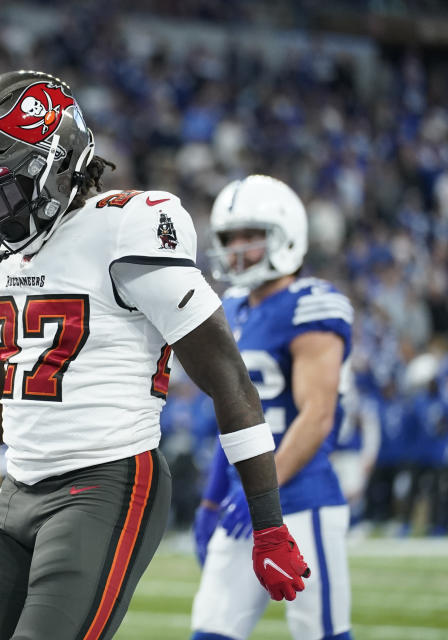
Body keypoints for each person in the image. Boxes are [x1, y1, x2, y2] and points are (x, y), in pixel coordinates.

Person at [0, 71, 309, 640]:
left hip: (106, 482)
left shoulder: (128, 227)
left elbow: (231, 383)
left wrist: (268, 524)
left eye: (2, 192)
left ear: (58, 164)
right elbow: (3, 402)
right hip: (16, 493)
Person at [190, 175, 354, 640]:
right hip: (241, 502)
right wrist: (211, 499)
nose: (238, 248)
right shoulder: (233, 307)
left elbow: (317, 415)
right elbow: (234, 416)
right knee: (211, 631)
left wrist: (259, 494)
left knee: (321, 633)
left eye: (252, 236)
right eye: (230, 237)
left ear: (286, 236)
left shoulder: (312, 305)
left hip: (302, 499)